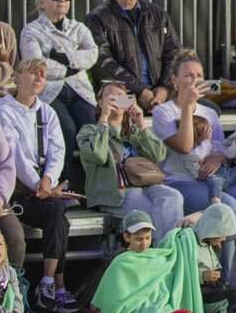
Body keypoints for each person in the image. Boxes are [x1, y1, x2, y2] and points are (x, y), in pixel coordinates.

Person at [0, 59, 79, 313]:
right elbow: (14, 155)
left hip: (42, 188)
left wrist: (48, 180)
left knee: (57, 213)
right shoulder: (4, 111)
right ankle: (56, 286)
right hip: (17, 190)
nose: (38, 78)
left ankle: (49, 283)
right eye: (32, 73)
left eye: (42, 74)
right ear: (18, 76)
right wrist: (37, 184)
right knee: (58, 215)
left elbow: (57, 150)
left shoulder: (47, 112)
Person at [78, 79, 184, 242]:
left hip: (145, 185)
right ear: (100, 102)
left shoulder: (134, 130)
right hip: (115, 192)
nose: (116, 100)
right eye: (111, 96)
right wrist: (104, 119)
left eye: (121, 96)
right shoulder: (89, 131)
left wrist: (141, 124)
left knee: (174, 196)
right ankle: (167, 253)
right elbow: (98, 155)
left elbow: (158, 155)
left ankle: (167, 251)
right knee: (155, 211)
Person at [153, 48, 236, 215]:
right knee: (228, 205)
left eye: (199, 76)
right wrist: (187, 105)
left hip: (213, 177)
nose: (195, 81)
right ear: (174, 79)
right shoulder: (163, 112)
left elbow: (222, 150)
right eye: (188, 76)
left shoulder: (210, 113)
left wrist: (218, 159)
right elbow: (185, 147)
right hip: (179, 180)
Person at [17, 0, 98, 178]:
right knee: (66, 129)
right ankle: (63, 183)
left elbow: (92, 54)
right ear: (41, 2)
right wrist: (72, 65)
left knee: (91, 128)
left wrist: (60, 57)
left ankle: (95, 185)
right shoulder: (31, 31)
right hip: (50, 92)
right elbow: (37, 65)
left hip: (80, 90)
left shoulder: (79, 28)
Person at [85, 0, 181, 110]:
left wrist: (164, 88)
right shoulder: (97, 18)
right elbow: (101, 62)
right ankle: (110, 127)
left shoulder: (158, 14)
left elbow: (174, 53)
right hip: (126, 93)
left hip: (160, 93)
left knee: (207, 108)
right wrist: (140, 90)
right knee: (116, 103)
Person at [189, 202, 236, 313]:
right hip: (200, 295)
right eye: (222, 234)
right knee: (235, 296)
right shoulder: (188, 241)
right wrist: (202, 276)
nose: (224, 239)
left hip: (216, 289)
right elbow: (179, 272)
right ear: (213, 229)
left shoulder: (212, 245)